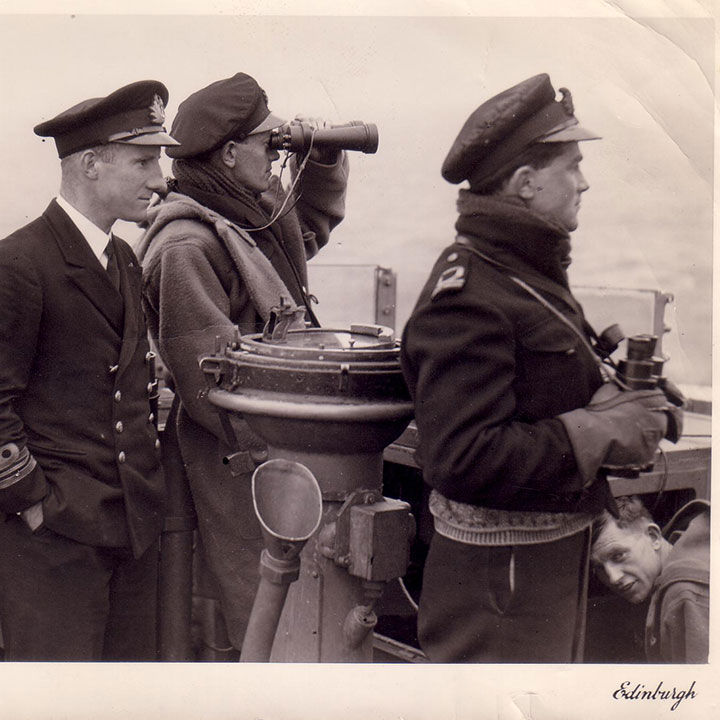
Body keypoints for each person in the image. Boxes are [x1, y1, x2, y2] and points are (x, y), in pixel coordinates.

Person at [399, 73, 682, 662]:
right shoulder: (469, 296)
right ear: (526, 184)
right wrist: (600, 429)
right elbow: (462, 457)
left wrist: (627, 400)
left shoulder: (521, 271)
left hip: (537, 568)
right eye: (572, 167)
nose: (585, 182)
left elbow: (538, 386)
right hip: (499, 588)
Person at [0, 80, 176, 661]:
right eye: (144, 161)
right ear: (91, 165)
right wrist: (34, 502)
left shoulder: (122, 256)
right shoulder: (18, 264)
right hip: (56, 537)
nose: (160, 179)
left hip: (128, 524)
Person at [138, 72, 349, 651]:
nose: (276, 155)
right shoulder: (187, 245)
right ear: (229, 153)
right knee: (264, 619)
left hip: (282, 449)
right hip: (246, 463)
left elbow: (305, 229)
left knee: (301, 609)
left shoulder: (245, 215)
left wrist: (321, 159)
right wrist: (289, 451)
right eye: (267, 144)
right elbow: (212, 386)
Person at [591, 495, 709, 663]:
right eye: (599, 568)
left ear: (653, 537)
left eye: (618, 556)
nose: (613, 577)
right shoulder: (684, 546)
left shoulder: (685, 594)